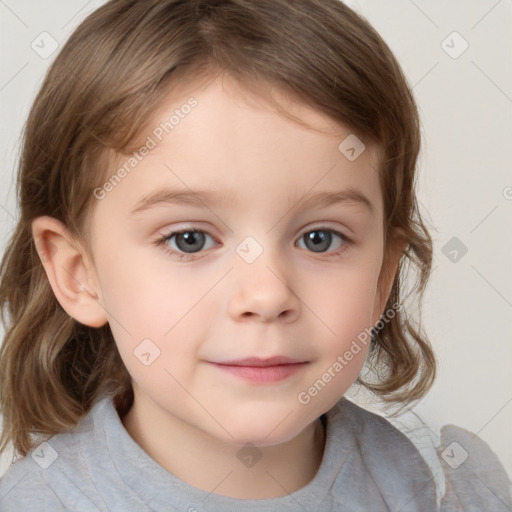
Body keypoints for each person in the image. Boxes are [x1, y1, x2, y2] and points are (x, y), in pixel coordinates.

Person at [0, 1, 510, 510]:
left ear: (382, 277)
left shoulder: (444, 488)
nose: (267, 295)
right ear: (78, 273)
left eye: (320, 238)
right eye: (189, 239)